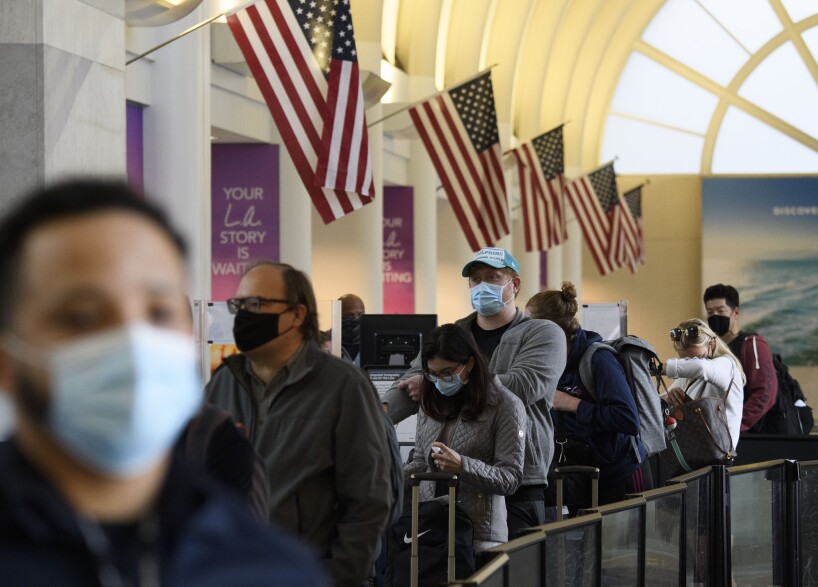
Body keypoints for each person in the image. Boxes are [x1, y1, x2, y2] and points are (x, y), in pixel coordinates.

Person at [0, 179, 326, 586]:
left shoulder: (267, 569)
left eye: (158, 312)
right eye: (82, 317)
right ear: (7, 361)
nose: (133, 344)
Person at [204, 262, 391, 586]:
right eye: (239, 305)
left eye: (257, 304)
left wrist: (336, 578)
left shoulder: (343, 387)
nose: (244, 315)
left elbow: (369, 501)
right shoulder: (222, 383)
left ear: (297, 314)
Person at [383, 247, 566, 537]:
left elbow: (525, 385)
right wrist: (374, 414)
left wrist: (437, 381)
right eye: (475, 279)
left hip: (518, 480)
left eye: (493, 277)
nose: (482, 286)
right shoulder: (455, 333)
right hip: (449, 480)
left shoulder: (542, 333)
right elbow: (412, 380)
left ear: (514, 284)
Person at [525, 282, 653, 507]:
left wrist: (574, 404)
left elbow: (628, 420)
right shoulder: (551, 363)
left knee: (619, 543)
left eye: (531, 327)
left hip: (620, 474)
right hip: (580, 475)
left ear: (551, 330)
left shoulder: (598, 360)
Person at [406, 324, 527, 552]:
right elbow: (421, 463)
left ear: (469, 363)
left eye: (448, 372)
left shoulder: (505, 405)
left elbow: (511, 478)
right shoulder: (430, 401)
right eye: (433, 374)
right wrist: (384, 478)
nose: (440, 380)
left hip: (479, 532)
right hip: (430, 526)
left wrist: (463, 466)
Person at [703, 284, 779, 434]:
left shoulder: (753, 344)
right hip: (718, 434)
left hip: (750, 435)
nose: (715, 316)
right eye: (710, 312)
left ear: (735, 313)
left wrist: (733, 425)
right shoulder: (710, 348)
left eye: (721, 311)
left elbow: (765, 394)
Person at [662, 319, 746, 449]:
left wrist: (658, 369)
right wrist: (667, 399)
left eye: (695, 358)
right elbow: (660, 400)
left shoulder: (727, 365)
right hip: (692, 452)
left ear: (712, 344)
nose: (688, 364)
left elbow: (701, 368)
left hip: (717, 456)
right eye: (684, 360)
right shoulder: (687, 377)